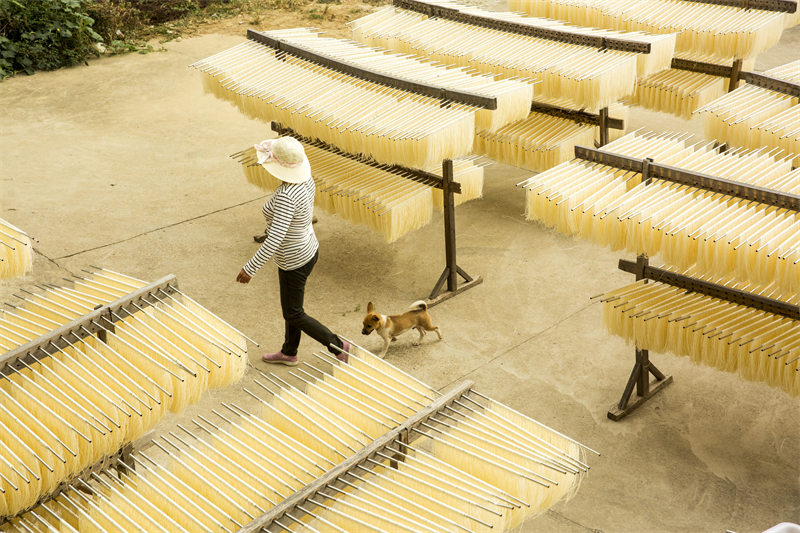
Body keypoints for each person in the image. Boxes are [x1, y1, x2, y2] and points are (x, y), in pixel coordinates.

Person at [235, 136, 350, 365]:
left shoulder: (286, 196)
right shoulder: (306, 179)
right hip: (308, 248)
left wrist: (250, 268)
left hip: (293, 260)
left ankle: (337, 345)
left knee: (293, 313)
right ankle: (289, 351)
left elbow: (275, 238)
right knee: (292, 307)